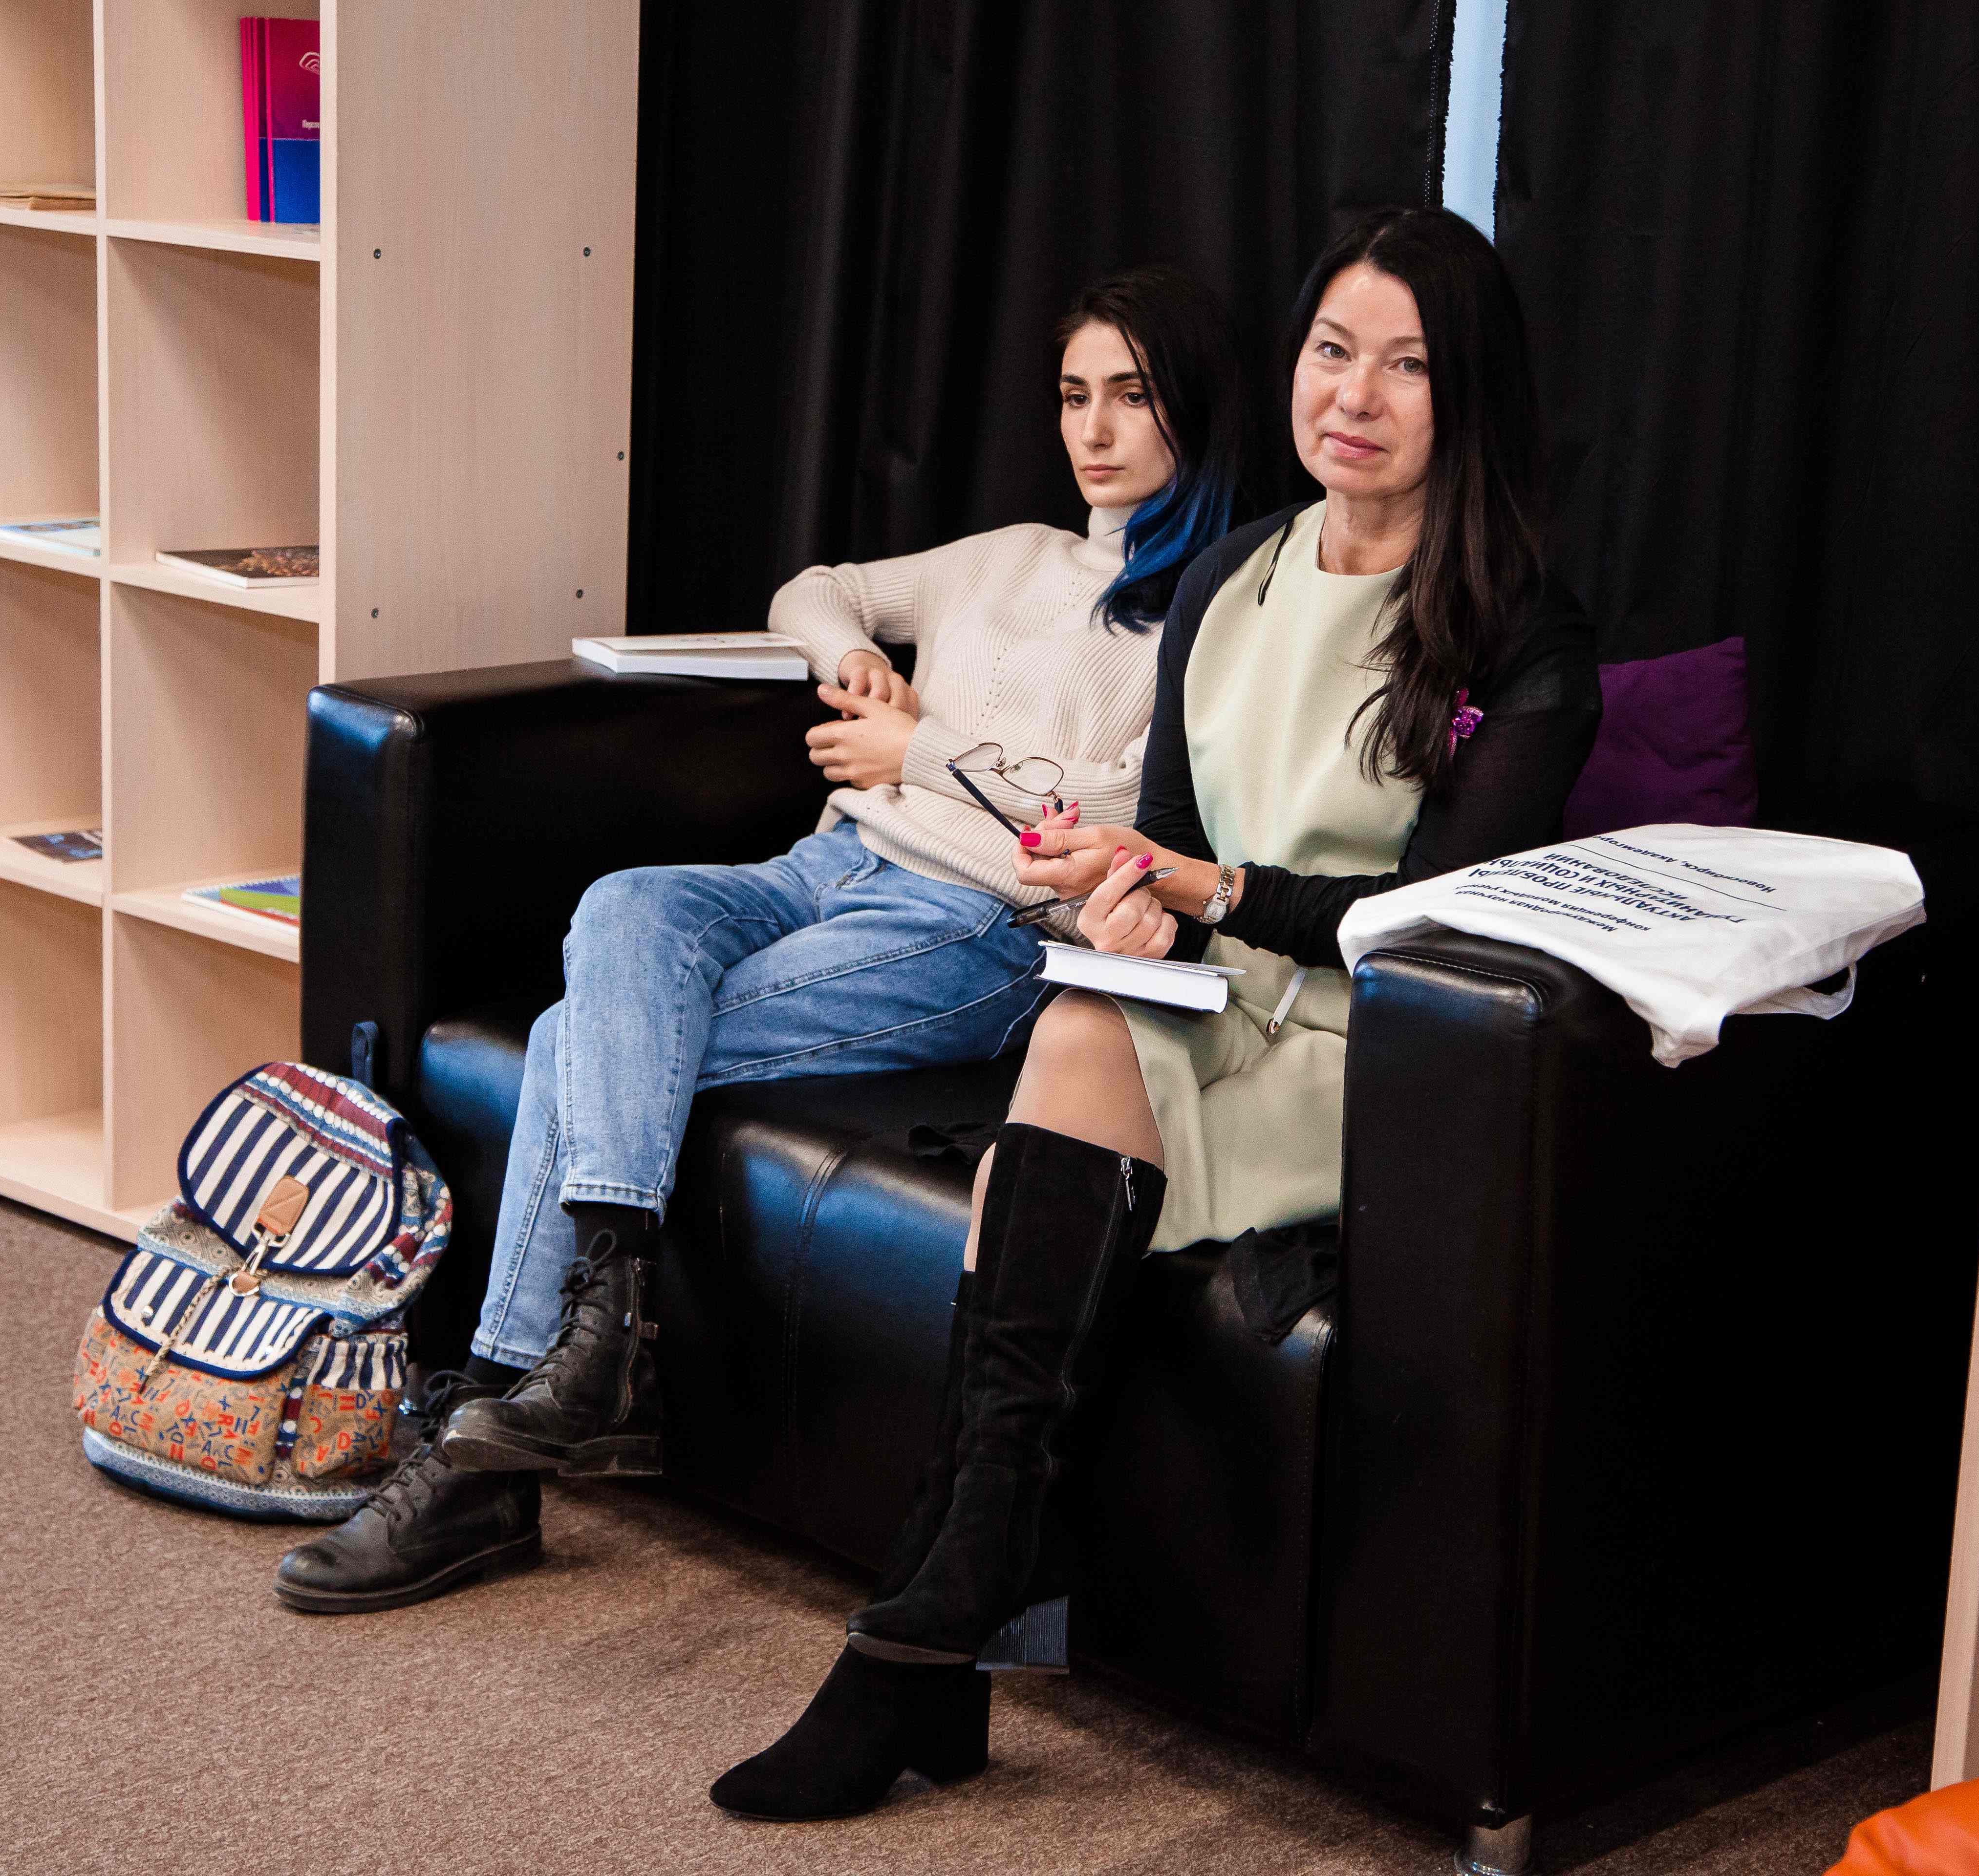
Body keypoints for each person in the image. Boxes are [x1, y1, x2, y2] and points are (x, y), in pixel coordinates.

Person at [709, 207, 1602, 1820]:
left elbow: (1430, 922)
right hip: (1211, 999)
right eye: (1332, 351)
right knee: (1069, 1043)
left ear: (1467, 395)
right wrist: (1142, 906)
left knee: (1038, 1129)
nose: (1355, 394)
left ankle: (923, 1643)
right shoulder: (1231, 577)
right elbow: (1171, 853)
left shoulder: (1520, 628)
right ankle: (943, 1625)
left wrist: (1203, 890)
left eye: (1406, 367)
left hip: (1371, 1045)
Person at [272, 267, 1253, 1613]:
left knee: (573, 1036)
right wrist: (854, 663)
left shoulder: (1211, 611)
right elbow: (815, 587)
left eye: (1131, 396)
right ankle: (599, 1341)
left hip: (973, 925)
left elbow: (1138, 816)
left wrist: (926, 749)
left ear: (1191, 406)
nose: (1093, 428)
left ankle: (491, 1449)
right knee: (626, 905)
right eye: (1075, 394)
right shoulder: (1008, 557)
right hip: (826, 863)